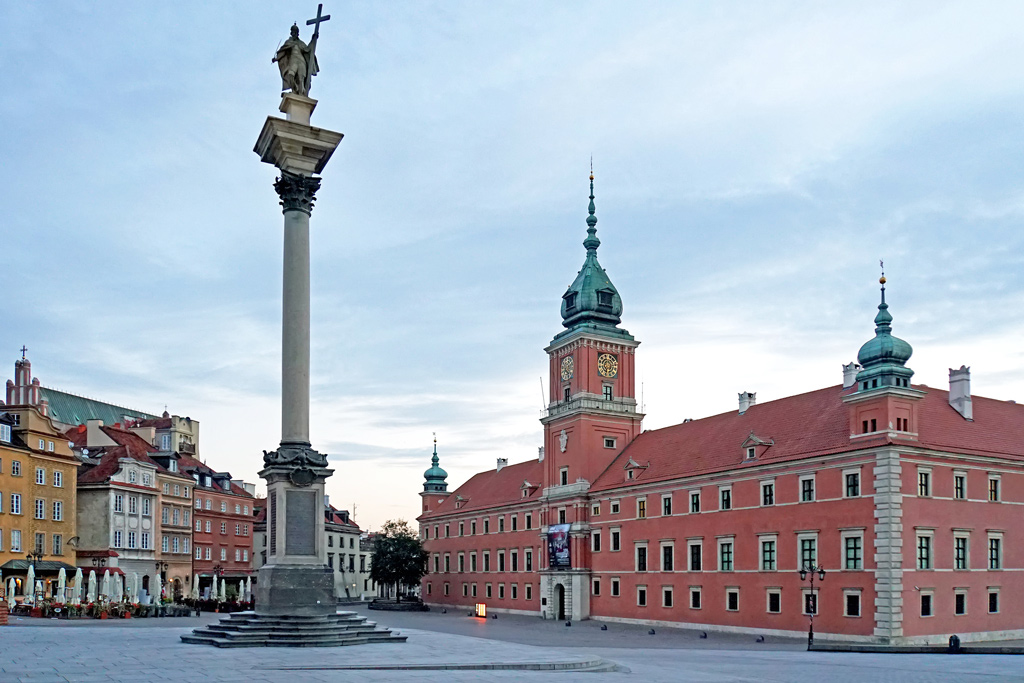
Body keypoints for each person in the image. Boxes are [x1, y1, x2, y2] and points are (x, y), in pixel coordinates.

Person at [273, 24, 319, 96]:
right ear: (291, 33)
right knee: (291, 74)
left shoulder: (300, 43)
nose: (294, 34)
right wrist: (276, 59)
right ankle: (295, 89)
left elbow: (307, 49)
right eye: (293, 32)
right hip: (293, 60)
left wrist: (313, 39)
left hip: (301, 61)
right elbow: (283, 51)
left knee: (301, 79)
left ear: (297, 33)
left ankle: (301, 93)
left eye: (295, 32)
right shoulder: (288, 42)